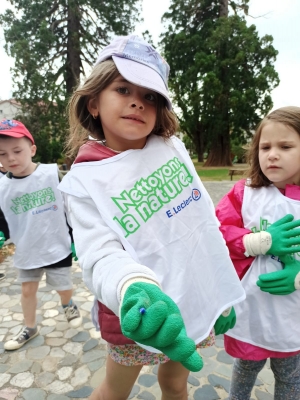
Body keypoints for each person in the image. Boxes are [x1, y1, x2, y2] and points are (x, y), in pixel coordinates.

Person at [58, 34, 245, 400]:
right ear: (93, 103)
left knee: (176, 384)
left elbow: (201, 221)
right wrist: (131, 288)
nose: (137, 103)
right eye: (123, 88)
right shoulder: (84, 180)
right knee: (114, 390)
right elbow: (99, 253)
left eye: (150, 96)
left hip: (189, 300)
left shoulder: (172, 149)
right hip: (138, 313)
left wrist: (217, 291)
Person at [216, 106, 300, 399]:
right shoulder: (245, 193)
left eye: (285, 146)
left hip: (292, 317)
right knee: (244, 369)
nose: (272, 154)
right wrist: (257, 242)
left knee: (291, 378)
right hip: (251, 309)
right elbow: (217, 233)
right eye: (265, 147)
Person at [0, 119, 82, 350]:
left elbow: (71, 206)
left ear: (32, 149)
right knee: (27, 290)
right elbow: (3, 217)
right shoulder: (2, 187)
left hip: (56, 244)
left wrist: (76, 238)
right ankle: (30, 327)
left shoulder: (50, 174)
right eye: (3, 154)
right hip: (27, 248)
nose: (11, 159)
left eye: (17, 151)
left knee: (63, 286)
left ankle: (68, 304)